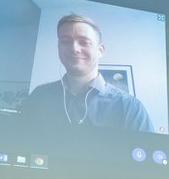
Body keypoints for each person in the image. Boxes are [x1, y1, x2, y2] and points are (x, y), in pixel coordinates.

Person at [21, 13, 154, 133]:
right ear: (58, 47)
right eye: (65, 41)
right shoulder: (39, 96)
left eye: (84, 42)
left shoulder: (130, 107)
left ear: (100, 50)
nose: (74, 49)